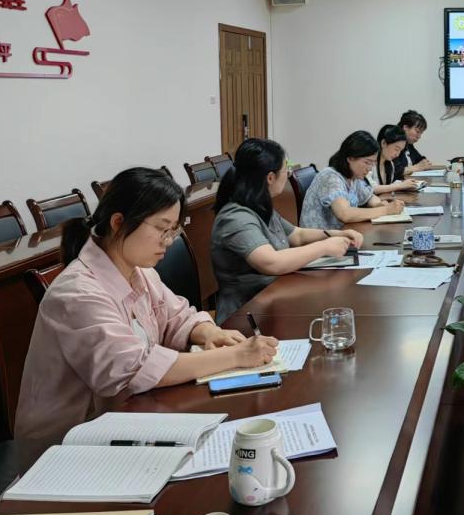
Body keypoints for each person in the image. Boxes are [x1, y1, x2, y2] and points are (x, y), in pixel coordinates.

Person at [15, 167, 279, 440]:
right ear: (118, 223)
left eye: (173, 230)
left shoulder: (139, 271)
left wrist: (209, 332)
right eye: (162, 229)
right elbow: (133, 369)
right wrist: (235, 356)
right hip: (68, 444)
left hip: (127, 420)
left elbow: (177, 317)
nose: (168, 241)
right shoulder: (77, 294)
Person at [211, 138, 363, 323]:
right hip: (247, 313)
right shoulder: (236, 217)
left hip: (275, 297)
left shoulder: (258, 204)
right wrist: (324, 247)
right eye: (286, 170)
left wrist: (335, 234)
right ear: (270, 177)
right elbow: (271, 263)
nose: (288, 175)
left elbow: (296, 235)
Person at [300, 130, 405, 229]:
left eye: (373, 163)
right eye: (367, 162)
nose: (369, 168)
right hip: (320, 239)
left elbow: (369, 197)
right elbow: (344, 214)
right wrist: (385, 210)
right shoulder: (331, 177)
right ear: (350, 158)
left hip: (341, 234)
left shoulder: (353, 177)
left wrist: (379, 204)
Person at [369, 124, 419, 194]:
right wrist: (400, 186)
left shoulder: (390, 164)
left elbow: (389, 186)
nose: (397, 154)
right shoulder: (369, 162)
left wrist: (406, 185)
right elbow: (370, 188)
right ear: (383, 143)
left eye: (400, 151)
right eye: (396, 149)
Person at [395, 110, 440, 177]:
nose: (419, 136)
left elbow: (420, 160)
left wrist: (425, 163)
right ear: (405, 127)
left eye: (421, 133)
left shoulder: (409, 144)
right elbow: (393, 170)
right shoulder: (393, 143)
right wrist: (417, 167)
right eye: (417, 131)